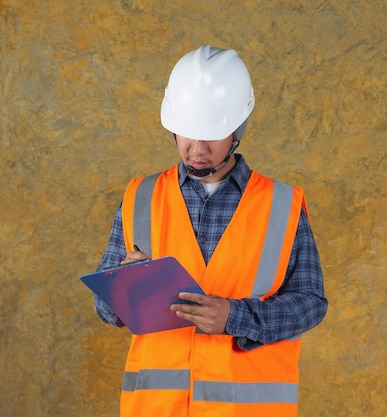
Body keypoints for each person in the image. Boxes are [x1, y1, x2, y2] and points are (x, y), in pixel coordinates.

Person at [93, 44, 328, 417]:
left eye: (211, 136)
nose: (196, 149)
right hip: (155, 409)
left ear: (238, 129)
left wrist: (236, 318)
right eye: (186, 134)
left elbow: (311, 303)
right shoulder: (140, 196)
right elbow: (106, 309)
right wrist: (122, 286)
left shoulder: (282, 204)